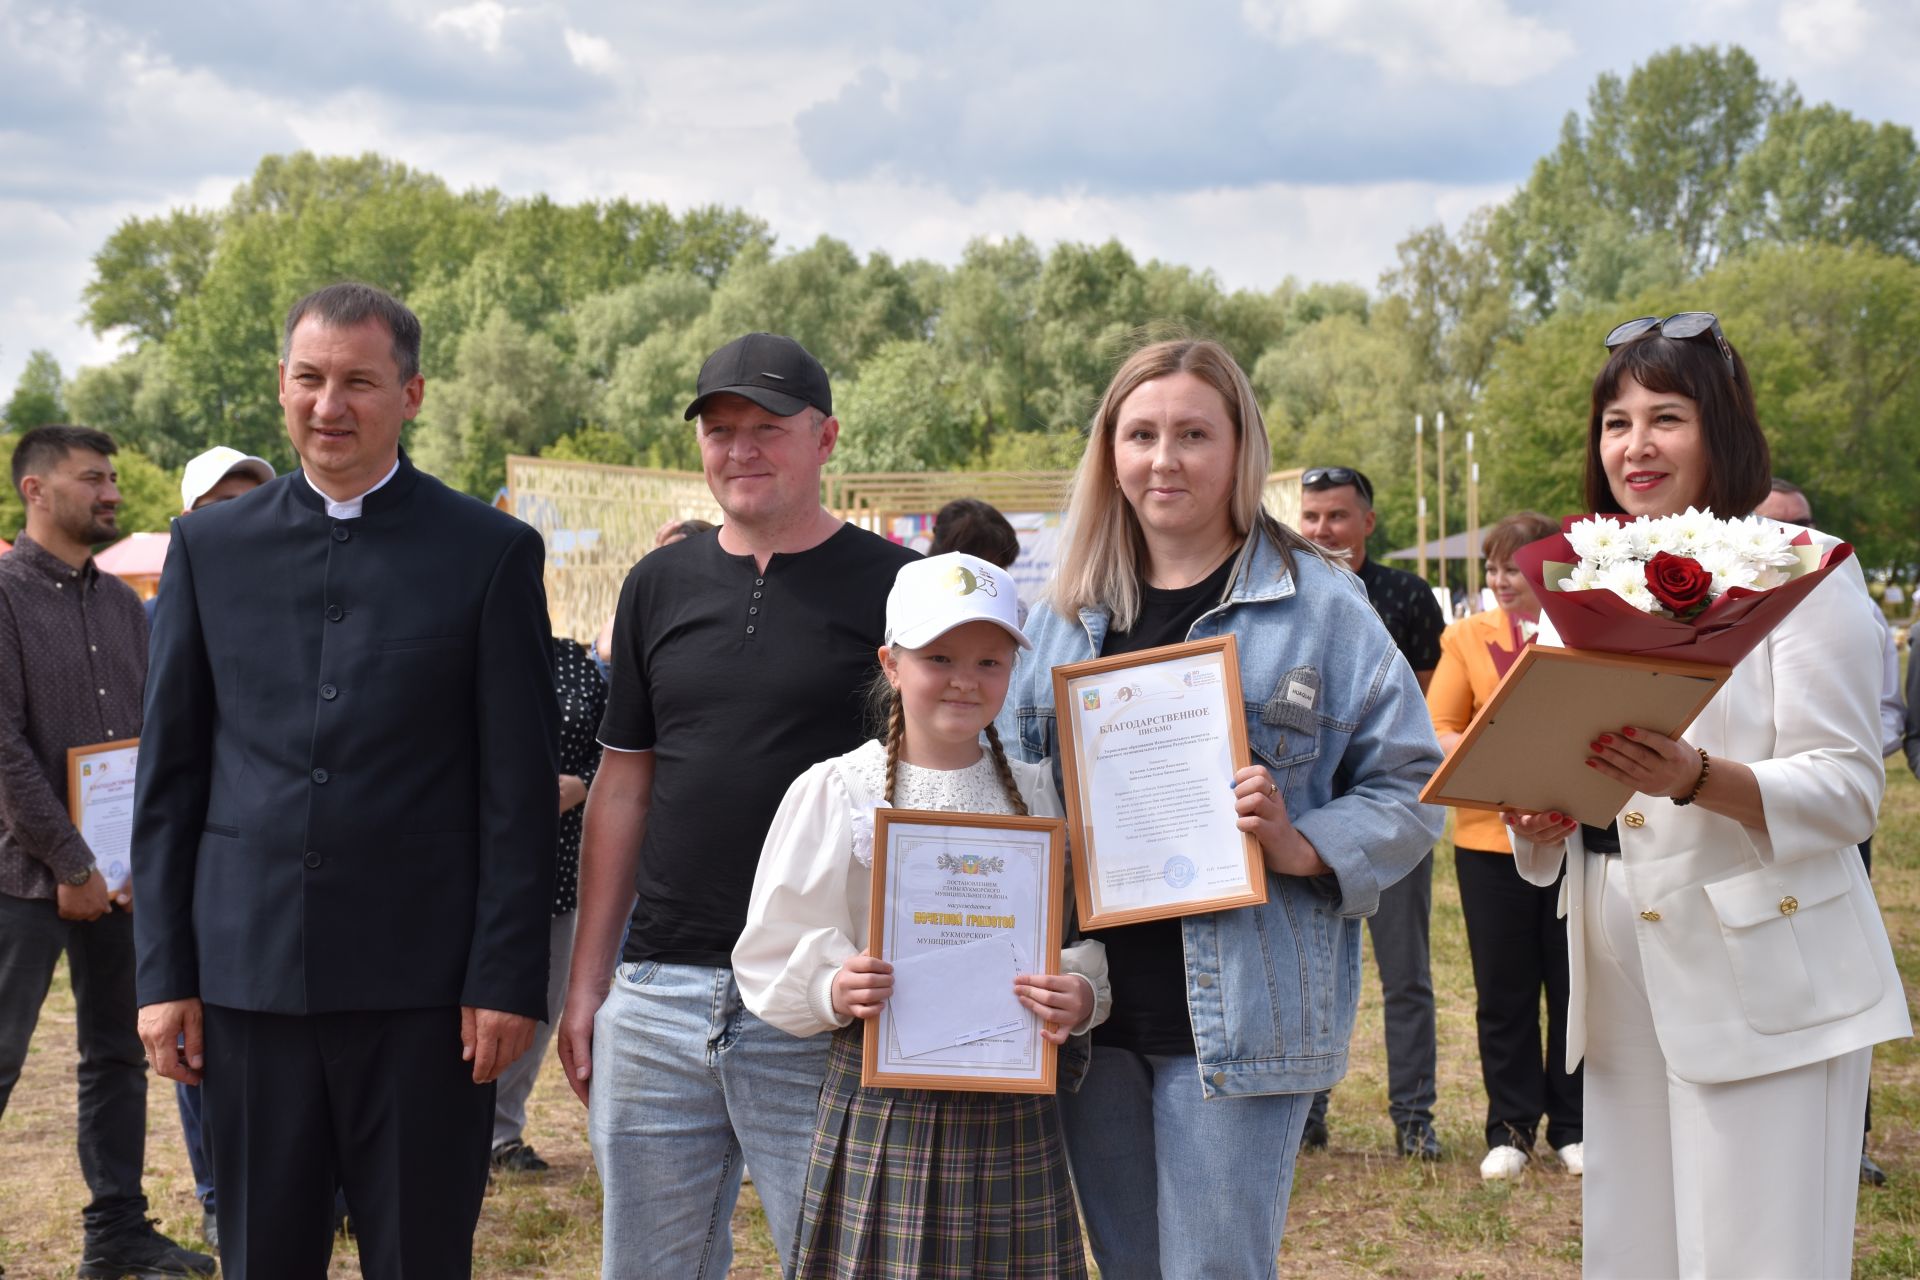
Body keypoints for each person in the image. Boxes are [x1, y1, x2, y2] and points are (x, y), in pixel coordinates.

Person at [133, 282, 560, 1280]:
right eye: (310, 379)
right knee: (264, 1256)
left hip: (427, 993)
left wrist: (504, 977)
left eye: (359, 382)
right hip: (249, 980)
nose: (331, 405)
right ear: (281, 386)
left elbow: (515, 790)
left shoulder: (490, 552)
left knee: (418, 1257)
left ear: (409, 393)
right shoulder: (207, 547)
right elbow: (172, 777)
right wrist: (165, 975)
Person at [1001, 339, 1444, 1277]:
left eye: (1194, 434)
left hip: (1239, 1015)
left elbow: (1412, 786)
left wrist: (1301, 844)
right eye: (1143, 434)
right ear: (1109, 454)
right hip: (1091, 1011)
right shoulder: (1060, 614)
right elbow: (1005, 781)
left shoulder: (1323, 606)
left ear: (1241, 449)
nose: (1166, 460)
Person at [1503, 312, 1910, 1277]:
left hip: (1761, 964)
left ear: (1721, 429)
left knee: (1756, 1253)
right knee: (1633, 1252)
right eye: (1615, 421)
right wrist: (1540, 821)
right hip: (1617, 966)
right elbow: (1565, 778)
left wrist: (1697, 778)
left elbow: (1851, 789)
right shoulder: (1588, 582)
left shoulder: (1804, 573)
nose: (1634, 445)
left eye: (1666, 417)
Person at [558, 332, 918, 1279]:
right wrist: (592, 984)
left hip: (819, 996)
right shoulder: (656, 585)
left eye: (768, 427)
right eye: (720, 430)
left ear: (826, 437)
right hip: (661, 990)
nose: (741, 449)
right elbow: (624, 785)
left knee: (840, 1262)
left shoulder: (895, 589)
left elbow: (940, 784)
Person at [734, 551, 1108, 1278]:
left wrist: (1080, 992)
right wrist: (832, 987)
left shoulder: (1037, 793)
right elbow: (772, 947)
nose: (965, 680)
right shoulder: (839, 789)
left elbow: (1073, 939)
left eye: (990, 661)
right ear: (891, 662)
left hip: (1011, 1105)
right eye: (939, 656)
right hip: (886, 1102)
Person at [0, 426, 216, 1279]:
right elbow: (4, 749)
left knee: (119, 1054)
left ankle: (117, 1232)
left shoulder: (127, 605)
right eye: (94, 479)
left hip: (122, 882)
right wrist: (72, 863)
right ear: (35, 490)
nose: (113, 494)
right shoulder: (4, 597)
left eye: (114, 479)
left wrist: (124, 867)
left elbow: (153, 742)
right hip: (21, 875)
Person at [1425, 510, 1583, 1182]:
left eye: (1513, 566)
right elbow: (1438, 728)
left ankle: (1577, 1126)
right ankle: (1511, 1128)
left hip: (1578, 837)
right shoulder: (1464, 637)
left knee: (1577, 987)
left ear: (1553, 569)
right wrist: (1511, 781)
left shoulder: (1584, 635)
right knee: (1505, 988)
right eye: (1493, 567)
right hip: (1489, 842)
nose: (1500, 579)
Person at [1295, 464, 1447, 1159]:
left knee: (1405, 975)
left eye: (1337, 515)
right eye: (1312, 516)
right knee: (1311, 973)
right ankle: (1308, 1112)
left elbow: (1416, 712)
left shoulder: (1407, 596)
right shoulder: (1289, 598)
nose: (1323, 528)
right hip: (1308, 824)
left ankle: (1414, 1119)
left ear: (1367, 522)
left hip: (1390, 815)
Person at [1754, 475, 1902, 1189]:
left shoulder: (1840, 591)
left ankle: (1851, 1132)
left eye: (1801, 521)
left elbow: (1884, 706)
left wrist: (1869, 748)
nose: (1790, 535)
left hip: (1827, 808)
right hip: (1747, 819)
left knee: (1831, 962)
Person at [164, 443, 276, 1246]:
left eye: (253, 500)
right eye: (221, 504)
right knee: (199, 1045)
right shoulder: (166, 605)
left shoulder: (300, 596)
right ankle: (214, 1188)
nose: (240, 517)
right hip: (208, 880)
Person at [488, 626, 608, 1174]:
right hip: (476, 862)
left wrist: (582, 783)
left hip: (561, 863)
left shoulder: (577, 665)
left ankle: (500, 1134)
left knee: (540, 1005)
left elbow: (622, 752)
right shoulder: (467, 652)